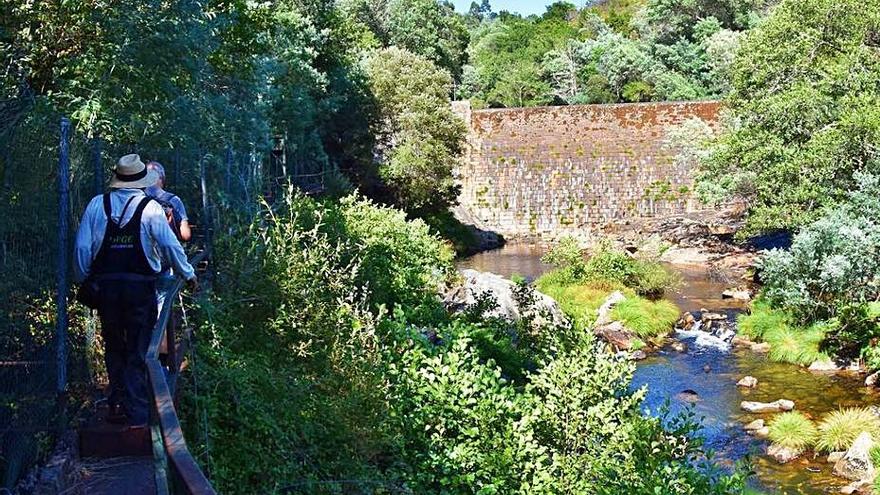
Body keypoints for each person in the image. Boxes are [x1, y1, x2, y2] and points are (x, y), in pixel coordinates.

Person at [74, 154, 197, 427]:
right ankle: (138, 412)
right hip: (140, 289)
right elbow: (170, 246)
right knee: (139, 348)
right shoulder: (151, 208)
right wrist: (188, 274)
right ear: (142, 180)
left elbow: (82, 249)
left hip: (107, 289)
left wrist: (86, 278)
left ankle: (117, 403)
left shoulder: (97, 205)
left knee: (114, 344)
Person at [145, 161, 191, 314]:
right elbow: (186, 235)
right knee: (161, 316)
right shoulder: (173, 200)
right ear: (162, 178)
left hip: (140, 265)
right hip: (165, 264)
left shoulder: (138, 199)